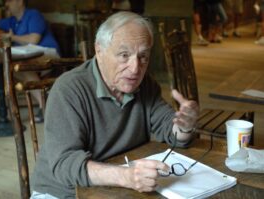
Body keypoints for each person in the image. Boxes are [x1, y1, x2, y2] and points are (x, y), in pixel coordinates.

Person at [30, 11, 199, 199]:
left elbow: (170, 129)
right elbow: (65, 164)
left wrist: (184, 126)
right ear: (99, 51)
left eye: (143, 56)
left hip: (115, 189)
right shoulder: (68, 89)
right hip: (62, 192)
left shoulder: (145, 85)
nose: (135, 68)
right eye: (124, 55)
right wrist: (125, 176)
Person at [0, 0, 60, 123]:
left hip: (48, 52)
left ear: (20, 1)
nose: (6, 4)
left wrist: (12, 37)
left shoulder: (34, 14)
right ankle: (45, 102)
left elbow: (34, 39)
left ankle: (44, 105)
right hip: (26, 56)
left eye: (10, 1)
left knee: (20, 66)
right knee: (10, 67)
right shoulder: (11, 21)